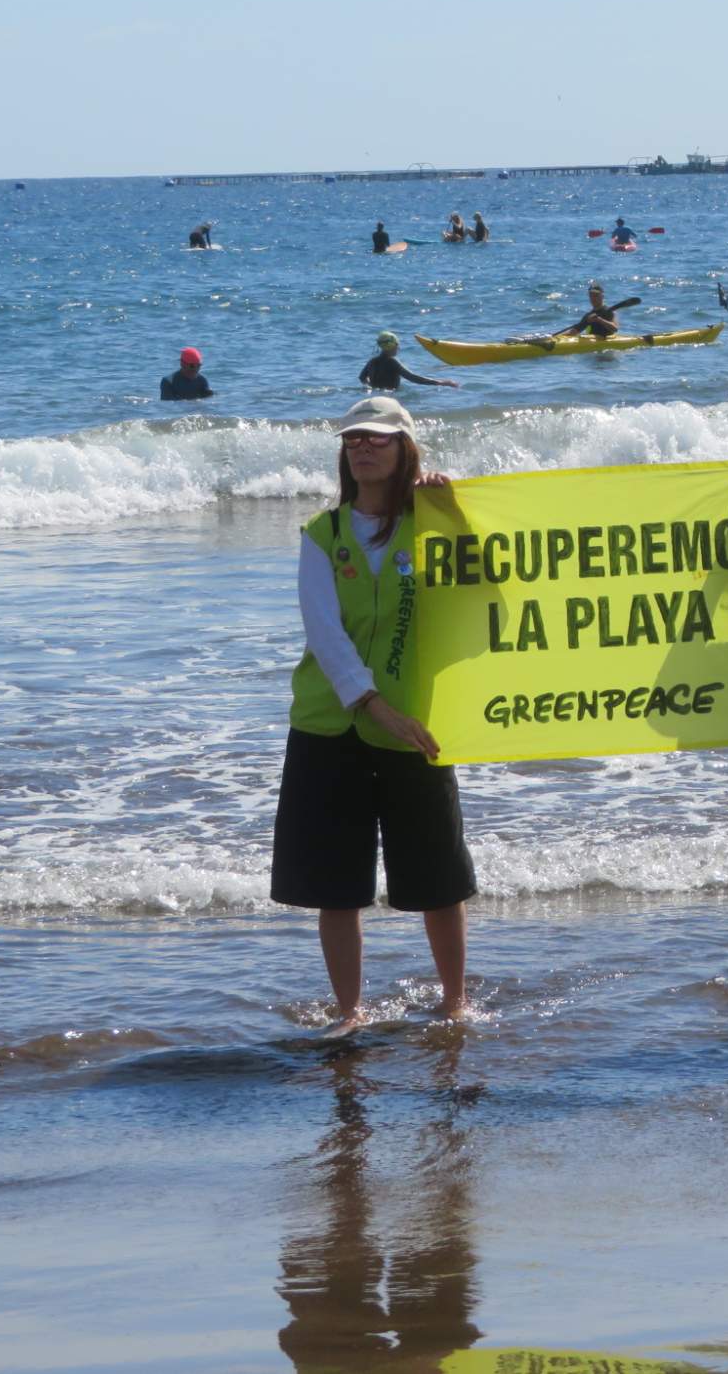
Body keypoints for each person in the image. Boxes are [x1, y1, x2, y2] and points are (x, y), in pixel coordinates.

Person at [271, 396, 474, 1033]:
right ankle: (349, 1011)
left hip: (417, 727)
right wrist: (371, 704)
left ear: (405, 449)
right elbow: (325, 636)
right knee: (339, 887)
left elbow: (489, 586)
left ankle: (454, 1004)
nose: (363, 447)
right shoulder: (322, 534)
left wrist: (458, 514)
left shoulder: (434, 525)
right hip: (329, 729)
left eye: (378, 439)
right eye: (354, 439)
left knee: (439, 880)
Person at [361, 331, 460, 391]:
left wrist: (371, 387)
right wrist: (441, 382)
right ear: (393, 346)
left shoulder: (372, 361)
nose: (398, 348)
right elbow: (412, 377)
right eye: (397, 345)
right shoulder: (392, 362)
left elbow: (362, 378)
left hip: (376, 395)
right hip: (391, 396)